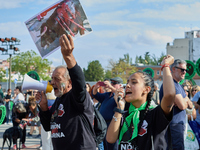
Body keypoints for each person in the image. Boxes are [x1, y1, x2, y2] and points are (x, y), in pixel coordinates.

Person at [36, 34, 96, 150]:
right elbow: (49, 127)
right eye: (52, 79)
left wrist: (68, 56)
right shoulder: (59, 100)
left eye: (57, 79)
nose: (52, 82)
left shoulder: (77, 97)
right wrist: (43, 106)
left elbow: (79, 82)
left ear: (70, 82)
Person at [106, 55, 175, 149]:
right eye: (127, 82)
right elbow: (110, 139)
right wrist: (119, 108)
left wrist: (165, 66)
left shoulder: (156, 113)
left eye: (134, 82)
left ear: (146, 89)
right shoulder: (124, 114)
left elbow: (170, 94)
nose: (128, 86)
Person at [159, 59, 193, 149]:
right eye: (182, 69)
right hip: (173, 124)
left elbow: (190, 105)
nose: (184, 72)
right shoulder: (172, 84)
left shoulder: (179, 85)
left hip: (178, 124)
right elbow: (182, 106)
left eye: (186, 70)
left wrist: (184, 100)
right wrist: (184, 101)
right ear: (173, 69)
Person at [92, 77, 123, 150]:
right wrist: (96, 88)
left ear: (120, 85)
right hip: (103, 124)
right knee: (104, 146)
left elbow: (120, 95)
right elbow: (95, 95)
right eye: (111, 82)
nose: (112, 84)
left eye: (114, 83)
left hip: (112, 123)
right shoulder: (107, 95)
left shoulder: (120, 93)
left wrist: (111, 87)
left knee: (112, 145)